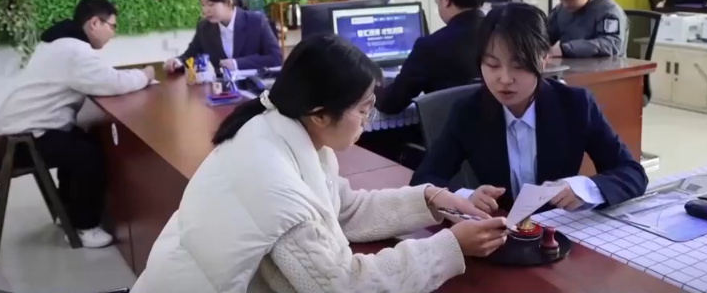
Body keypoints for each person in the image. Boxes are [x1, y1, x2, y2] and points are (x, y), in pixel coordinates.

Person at [133, 35, 510, 293]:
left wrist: (429, 200)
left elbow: (342, 209)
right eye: (363, 109)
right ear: (319, 114)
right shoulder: (274, 183)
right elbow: (345, 285)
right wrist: (449, 247)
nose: (369, 119)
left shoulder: (279, 131)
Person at [410, 3, 648, 214]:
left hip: (559, 231)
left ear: (543, 59)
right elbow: (424, 179)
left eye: (520, 66)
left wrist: (582, 188)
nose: (505, 79)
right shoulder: (468, 112)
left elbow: (632, 173)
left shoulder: (575, 105)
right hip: (499, 232)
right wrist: (465, 197)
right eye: (492, 65)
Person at [0, 0, 155, 248]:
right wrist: (146, 74)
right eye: (112, 26)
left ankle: (67, 213)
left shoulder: (58, 44)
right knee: (86, 155)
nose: (113, 34)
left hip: (18, 132)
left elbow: (102, 77)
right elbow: (113, 83)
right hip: (19, 143)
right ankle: (84, 227)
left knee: (78, 141)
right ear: (95, 23)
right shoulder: (74, 51)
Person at [375, 0, 489, 114]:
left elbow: (391, 103)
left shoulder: (430, 46)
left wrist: (368, 85)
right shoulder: (500, 35)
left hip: (451, 128)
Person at [164, 0, 282, 72]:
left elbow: (276, 58)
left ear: (229, 2)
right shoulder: (204, 27)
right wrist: (177, 61)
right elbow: (191, 55)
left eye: (211, 4)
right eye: (203, 5)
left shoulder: (256, 21)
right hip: (221, 89)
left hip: (256, 87)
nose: (205, 10)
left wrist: (236, 63)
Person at [546, 0, 628, 58]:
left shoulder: (609, 11)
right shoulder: (560, 10)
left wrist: (565, 49)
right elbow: (546, 35)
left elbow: (611, 44)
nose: (564, 4)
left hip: (605, 66)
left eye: (570, 0)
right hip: (570, 65)